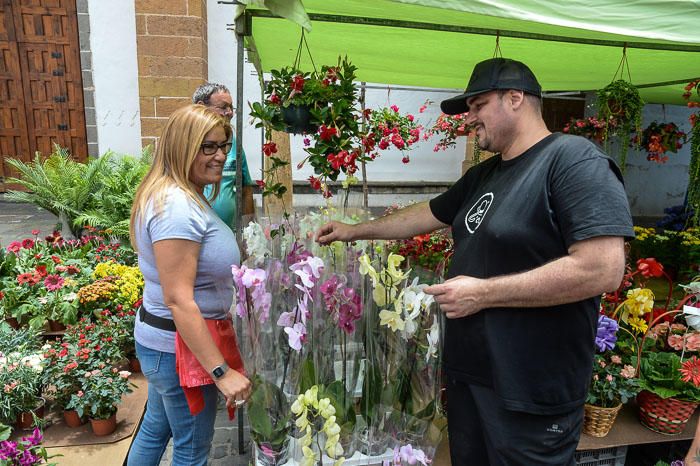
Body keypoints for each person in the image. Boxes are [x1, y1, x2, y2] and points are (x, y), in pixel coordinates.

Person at [316, 57, 634, 465]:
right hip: (473, 378)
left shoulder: (573, 161)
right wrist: (354, 230)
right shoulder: (486, 175)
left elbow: (602, 268)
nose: (469, 119)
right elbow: (428, 213)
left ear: (515, 98)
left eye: (478, 105)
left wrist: (483, 293)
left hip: (530, 390)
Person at [127, 104, 251, 466]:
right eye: (208, 147)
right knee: (192, 449)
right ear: (182, 147)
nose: (221, 156)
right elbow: (179, 299)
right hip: (180, 350)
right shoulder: (177, 207)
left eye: (224, 146)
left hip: (164, 342)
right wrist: (220, 372)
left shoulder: (178, 191)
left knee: (155, 428)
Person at [192, 82, 255, 230]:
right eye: (223, 107)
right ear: (201, 107)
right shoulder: (187, 143)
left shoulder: (234, 143)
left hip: (227, 231)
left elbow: (246, 188)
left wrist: (249, 230)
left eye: (231, 107)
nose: (230, 113)